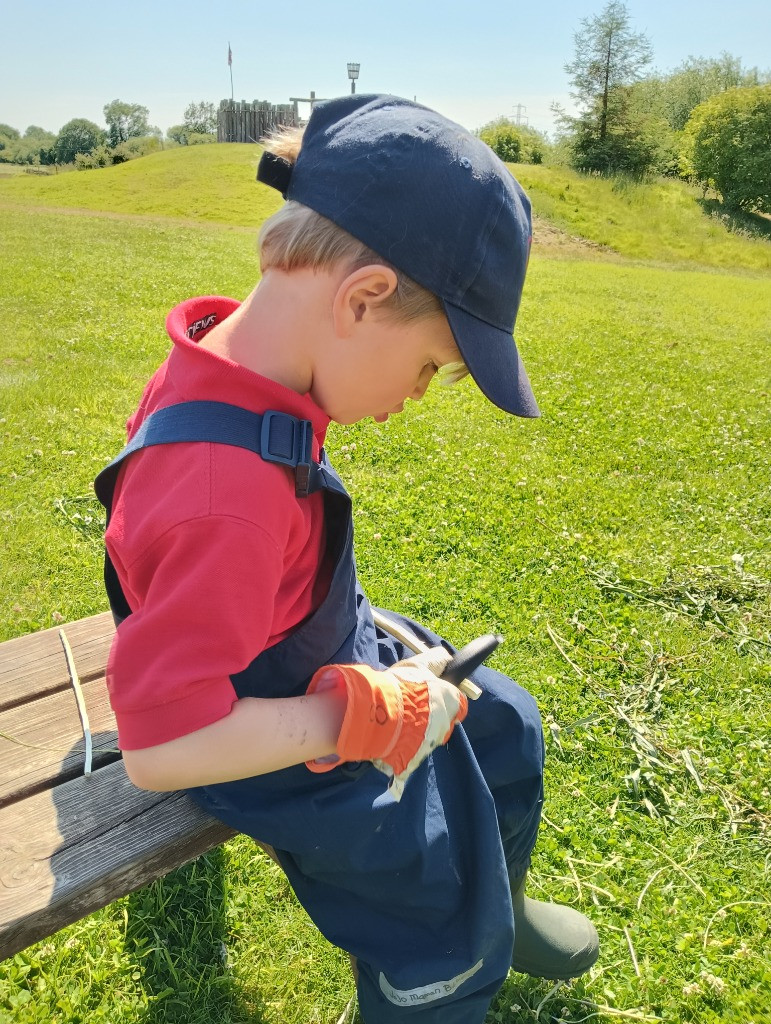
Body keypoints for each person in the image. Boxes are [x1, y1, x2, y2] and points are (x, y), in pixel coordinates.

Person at [95, 94, 599, 1024]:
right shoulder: (222, 494)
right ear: (363, 298)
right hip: (242, 723)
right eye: (430, 369)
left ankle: (503, 900)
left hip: (303, 640)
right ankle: (444, 960)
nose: (414, 397)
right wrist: (354, 716)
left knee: (507, 722)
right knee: (422, 879)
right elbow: (162, 750)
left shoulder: (241, 368)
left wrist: (378, 679)